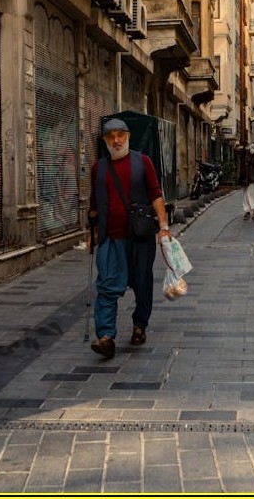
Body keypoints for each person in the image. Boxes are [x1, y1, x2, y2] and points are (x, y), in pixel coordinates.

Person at [88, 118, 172, 359]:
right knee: (106, 285)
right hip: (110, 238)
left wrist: (164, 226)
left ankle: (139, 325)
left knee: (142, 282)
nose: (116, 140)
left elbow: (156, 195)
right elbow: (94, 203)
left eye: (120, 135)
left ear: (128, 136)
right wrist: (91, 234)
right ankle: (106, 336)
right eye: (111, 136)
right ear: (105, 141)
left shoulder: (142, 162)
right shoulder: (98, 167)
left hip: (140, 236)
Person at [240, 144, 254, 220]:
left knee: (246, 197)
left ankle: (247, 213)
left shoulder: (246, 157)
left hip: (247, 181)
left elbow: (242, 169)